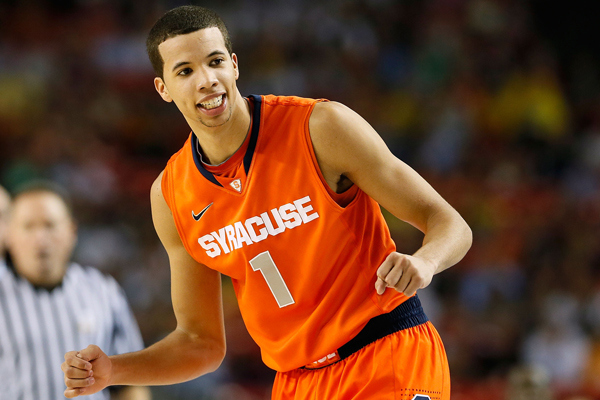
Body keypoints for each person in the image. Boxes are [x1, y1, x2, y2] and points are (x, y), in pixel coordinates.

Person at [62, 5, 472, 400]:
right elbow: (200, 343)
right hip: (296, 382)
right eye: (185, 71)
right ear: (163, 88)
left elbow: (449, 223)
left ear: (234, 65)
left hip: (386, 354)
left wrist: (425, 262)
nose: (206, 80)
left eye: (215, 62)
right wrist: (114, 370)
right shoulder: (170, 196)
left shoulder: (321, 127)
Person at [0, 182, 151, 400]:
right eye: (28, 226)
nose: (40, 238)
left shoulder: (102, 291)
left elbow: (130, 382)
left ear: (71, 231)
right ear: (9, 235)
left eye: (50, 225)